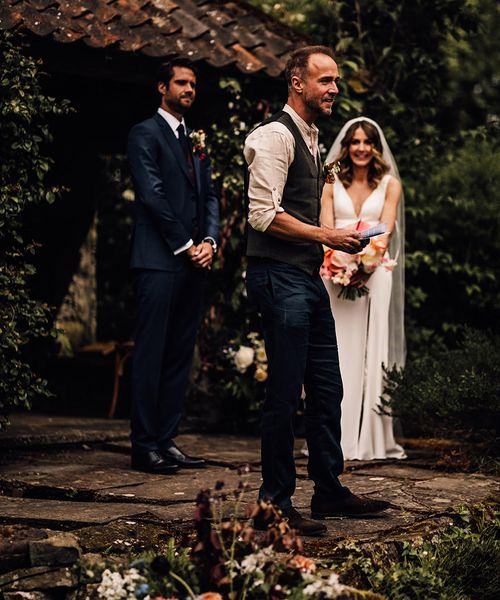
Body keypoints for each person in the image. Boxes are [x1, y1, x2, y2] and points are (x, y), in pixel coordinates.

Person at [244, 46, 390, 536]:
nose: (333, 88)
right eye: (324, 80)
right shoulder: (272, 136)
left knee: (329, 390)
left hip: (306, 279)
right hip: (276, 277)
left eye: (336, 80)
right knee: (285, 394)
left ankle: (329, 490)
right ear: (296, 82)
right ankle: (274, 502)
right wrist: (328, 237)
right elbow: (261, 215)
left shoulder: (311, 136)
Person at [127, 58, 219, 474]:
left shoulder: (195, 140)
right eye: (181, 82)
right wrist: (186, 245)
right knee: (151, 353)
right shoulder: (143, 133)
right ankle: (144, 445)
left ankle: (166, 439)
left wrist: (210, 242)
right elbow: (153, 196)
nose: (189, 89)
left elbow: (211, 197)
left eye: (193, 84)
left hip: (195, 263)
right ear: (161, 87)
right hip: (158, 261)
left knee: (180, 354)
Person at [321, 117, 406, 460]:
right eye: (354, 142)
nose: (359, 148)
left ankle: (369, 438)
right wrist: (338, 261)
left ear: (374, 147)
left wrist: (366, 264)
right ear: (347, 146)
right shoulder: (329, 179)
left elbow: (385, 229)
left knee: (371, 350)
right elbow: (324, 226)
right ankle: (331, 436)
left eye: (366, 142)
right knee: (335, 352)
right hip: (334, 272)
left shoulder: (390, 184)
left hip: (374, 274)